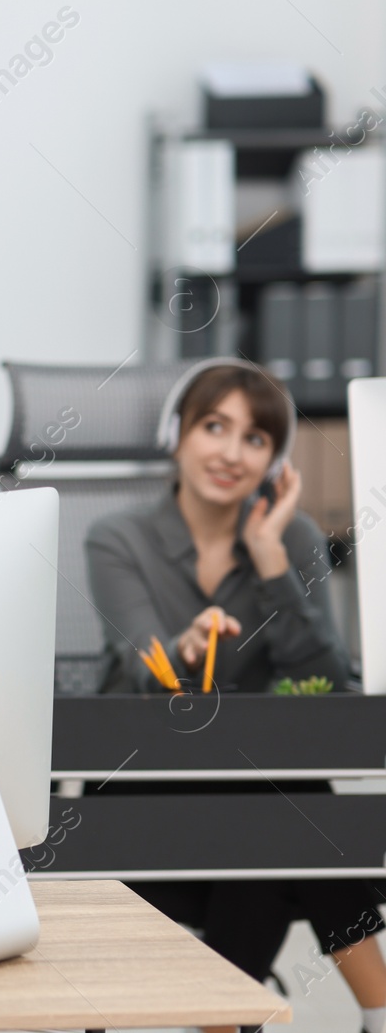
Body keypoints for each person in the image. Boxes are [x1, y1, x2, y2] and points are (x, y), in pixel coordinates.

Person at [86, 358, 385, 1033]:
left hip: (256, 798)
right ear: (178, 434)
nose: (230, 451)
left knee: (269, 812)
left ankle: (224, 1019)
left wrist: (271, 558)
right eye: (213, 426)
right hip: (142, 784)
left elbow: (327, 686)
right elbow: (140, 663)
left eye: (254, 437)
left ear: (275, 458)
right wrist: (186, 644)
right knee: (289, 810)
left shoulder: (294, 537)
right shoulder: (118, 537)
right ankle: (380, 1006)